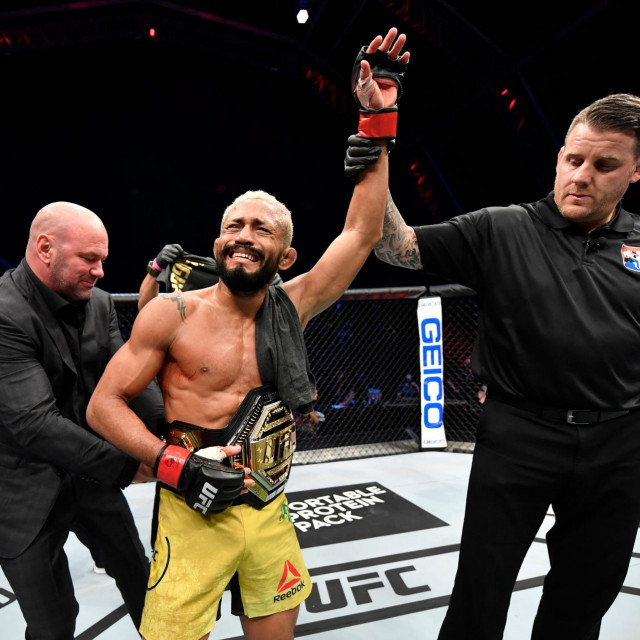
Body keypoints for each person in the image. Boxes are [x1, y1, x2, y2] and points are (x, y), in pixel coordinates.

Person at [86, 27, 409, 640]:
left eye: (262, 229)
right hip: (190, 508)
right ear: (216, 244)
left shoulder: (294, 304)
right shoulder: (172, 314)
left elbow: (362, 233)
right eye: (234, 225)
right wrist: (173, 464)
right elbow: (103, 404)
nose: (244, 236)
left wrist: (377, 122)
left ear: (285, 256)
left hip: (268, 506)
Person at [348, 92, 640, 638]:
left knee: (586, 595)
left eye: (605, 165)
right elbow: (394, 246)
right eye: (575, 159)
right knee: (480, 594)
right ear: (559, 157)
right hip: (519, 434)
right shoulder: (503, 228)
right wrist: (377, 147)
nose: (582, 176)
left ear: (635, 170)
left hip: (619, 443)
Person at [0, 202, 165, 639]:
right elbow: (34, 423)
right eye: (89, 259)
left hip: (91, 475)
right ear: (45, 248)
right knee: (54, 623)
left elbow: (129, 378)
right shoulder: (4, 312)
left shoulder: (99, 303)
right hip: (23, 487)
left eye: (103, 260)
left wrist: (170, 437)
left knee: (145, 585)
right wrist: (136, 464)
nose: (100, 271)